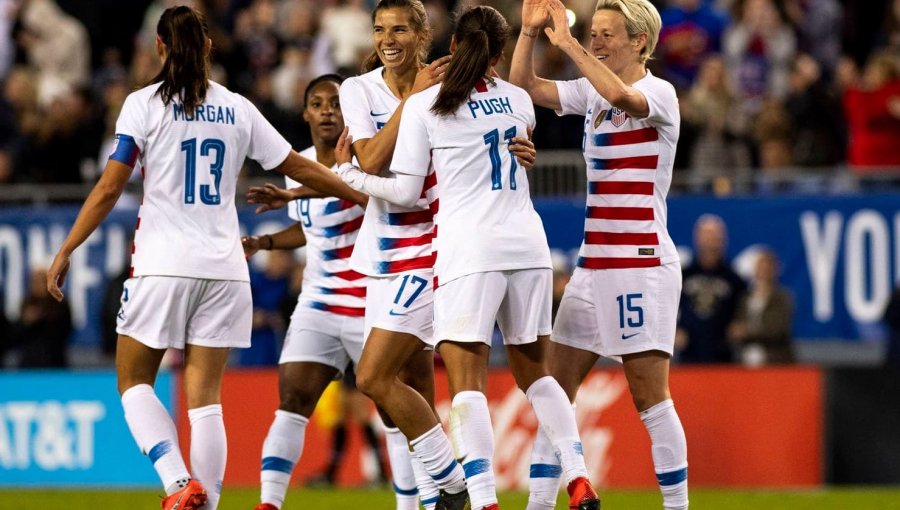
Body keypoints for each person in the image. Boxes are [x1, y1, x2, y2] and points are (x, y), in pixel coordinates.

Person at [45, 7, 361, 510]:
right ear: (210, 47)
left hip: (164, 264)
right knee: (206, 399)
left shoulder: (142, 104)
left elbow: (110, 187)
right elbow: (298, 165)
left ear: (158, 48)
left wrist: (66, 248)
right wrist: (365, 195)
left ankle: (176, 483)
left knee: (132, 382)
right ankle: (207, 503)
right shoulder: (238, 107)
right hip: (226, 270)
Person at [337, 6, 599, 510]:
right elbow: (511, 145)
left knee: (465, 386)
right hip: (528, 246)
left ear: (449, 46)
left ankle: (481, 499)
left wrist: (349, 175)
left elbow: (406, 187)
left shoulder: (428, 103)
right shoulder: (518, 102)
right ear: (496, 56)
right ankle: (579, 477)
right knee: (537, 376)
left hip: (464, 251)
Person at [510, 0, 690, 509]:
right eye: (593, 32)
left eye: (608, 33)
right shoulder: (591, 89)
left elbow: (622, 96)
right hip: (594, 265)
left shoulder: (659, 93)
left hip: (641, 262)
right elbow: (525, 88)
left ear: (640, 42)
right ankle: (539, 505)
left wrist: (563, 42)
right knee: (555, 393)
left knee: (649, 398)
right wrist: (528, 35)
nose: (596, 40)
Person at [243, 74, 412, 510]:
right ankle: (269, 503)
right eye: (317, 103)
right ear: (305, 113)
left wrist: (294, 190)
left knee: (393, 413)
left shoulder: (365, 159)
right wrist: (262, 243)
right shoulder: (296, 162)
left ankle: (409, 505)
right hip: (317, 303)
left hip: (367, 301)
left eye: (335, 102)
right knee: (293, 399)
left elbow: (361, 197)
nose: (327, 111)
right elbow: (308, 228)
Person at [677, 214, 746, 363]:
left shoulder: (734, 278)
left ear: (723, 240)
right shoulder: (684, 275)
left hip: (723, 353)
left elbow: (744, 308)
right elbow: (668, 307)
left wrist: (740, 325)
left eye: (715, 236)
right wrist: (674, 331)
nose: (710, 242)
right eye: (707, 235)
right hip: (689, 352)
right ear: (697, 238)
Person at [728, 249, 794, 365]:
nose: (763, 271)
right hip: (746, 359)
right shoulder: (745, 298)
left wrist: (747, 332)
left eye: (767, 267)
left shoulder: (782, 298)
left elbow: (776, 330)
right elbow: (737, 325)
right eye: (760, 267)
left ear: (774, 270)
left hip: (775, 359)